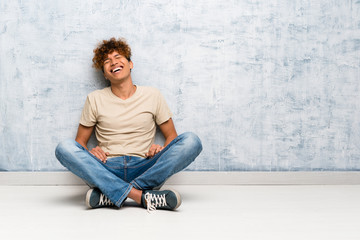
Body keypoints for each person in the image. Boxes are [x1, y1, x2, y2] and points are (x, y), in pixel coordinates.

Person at [55, 37, 202, 212]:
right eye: (107, 61)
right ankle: (141, 196)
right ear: (105, 73)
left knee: (192, 141)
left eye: (118, 57)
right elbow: (79, 143)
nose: (113, 62)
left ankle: (111, 194)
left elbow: (172, 136)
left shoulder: (152, 95)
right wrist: (90, 151)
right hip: (107, 168)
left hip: (145, 167)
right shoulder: (94, 98)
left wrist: (160, 150)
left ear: (130, 64)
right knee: (64, 147)